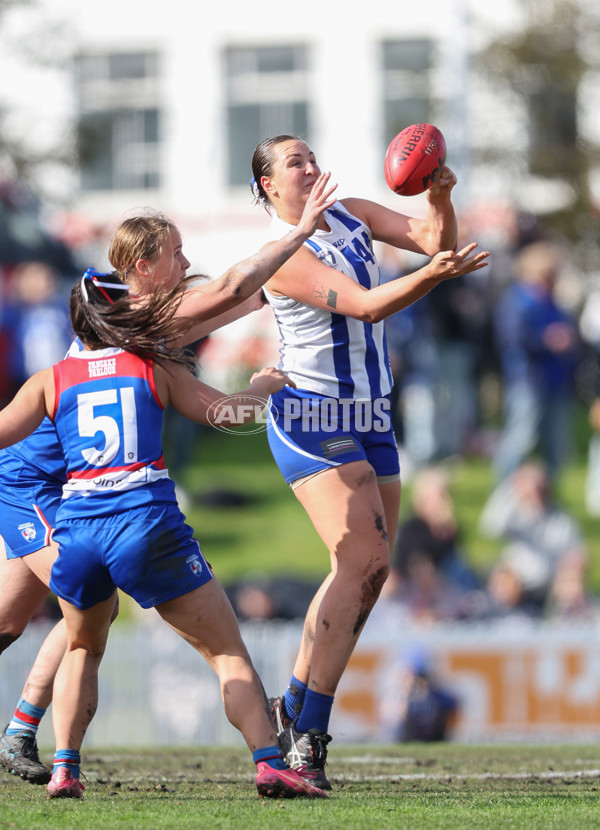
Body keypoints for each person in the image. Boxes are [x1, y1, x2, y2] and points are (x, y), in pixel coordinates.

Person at [0, 180, 336, 785]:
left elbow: (239, 296)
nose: (185, 266)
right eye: (175, 256)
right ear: (140, 268)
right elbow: (231, 293)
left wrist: (287, 287)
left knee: (44, 625)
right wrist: (299, 235)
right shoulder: (140, 326)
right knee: (108, 628)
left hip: (78, 500)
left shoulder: (95, 336)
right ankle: (26, 730)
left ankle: (50, 753)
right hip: (44, 485)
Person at [250, 134, 489, 789]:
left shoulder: (353, 210)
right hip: (310, 415)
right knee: (363, 559)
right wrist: (434, 276)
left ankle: (293, 708)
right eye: (291, 161)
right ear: (269, 186)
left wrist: (440, 197)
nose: (308, 164)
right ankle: (308, 737)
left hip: (371, 415)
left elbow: (435, 239)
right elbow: (364, 302)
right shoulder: (279, 255)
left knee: (368, 574)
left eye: (309, 154)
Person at [490, 240, 581, 485]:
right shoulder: (517, 300)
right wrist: (547, 340)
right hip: (527, 380)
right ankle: (503, 495)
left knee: (556, 445)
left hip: (556, 381)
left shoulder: (553, 302)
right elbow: (510, 339)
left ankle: (545, 503)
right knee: (521, 439)